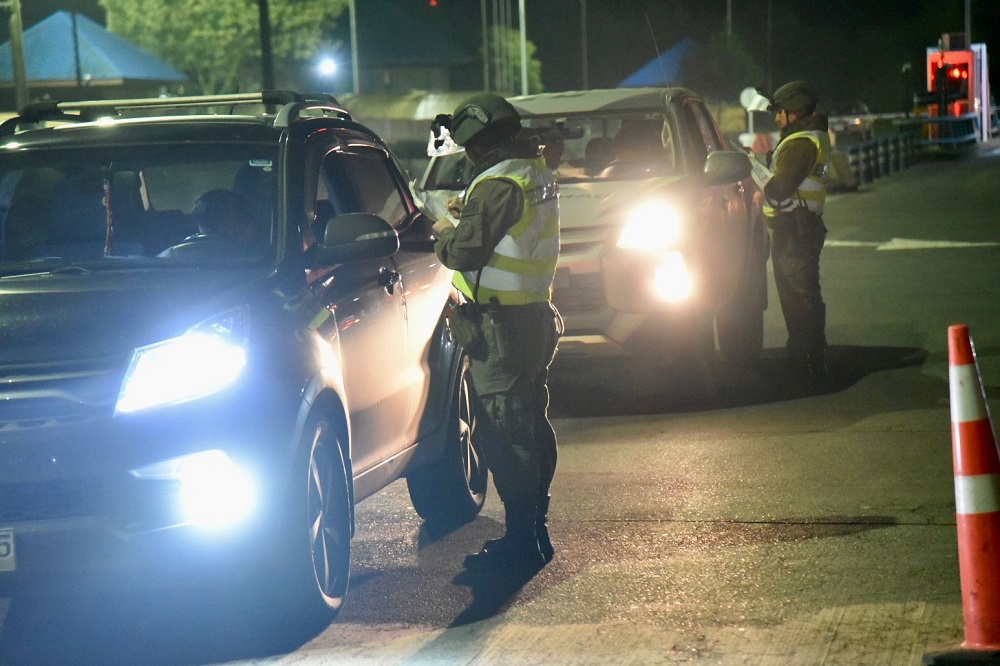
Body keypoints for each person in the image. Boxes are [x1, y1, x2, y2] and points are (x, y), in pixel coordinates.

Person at [429, 93, 562, 572]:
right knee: (530, 424)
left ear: (477, 144)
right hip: (532, 316)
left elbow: (463, 252)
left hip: (502, 326)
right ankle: (536, 529)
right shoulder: (532, 169)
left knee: (506, 434)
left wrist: (443, 225)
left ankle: (523, 540)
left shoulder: (499, 182)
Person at [755, 81, 831, 380]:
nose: (777, 118)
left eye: (780, 112)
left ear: (794, 112)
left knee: (798, 296)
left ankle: (806, 359)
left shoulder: (800, 142)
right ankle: (810, 353)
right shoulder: (813, 137)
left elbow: (777, 191)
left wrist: (752, 169)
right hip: (803, 225)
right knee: (806, 292)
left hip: (793, 229)